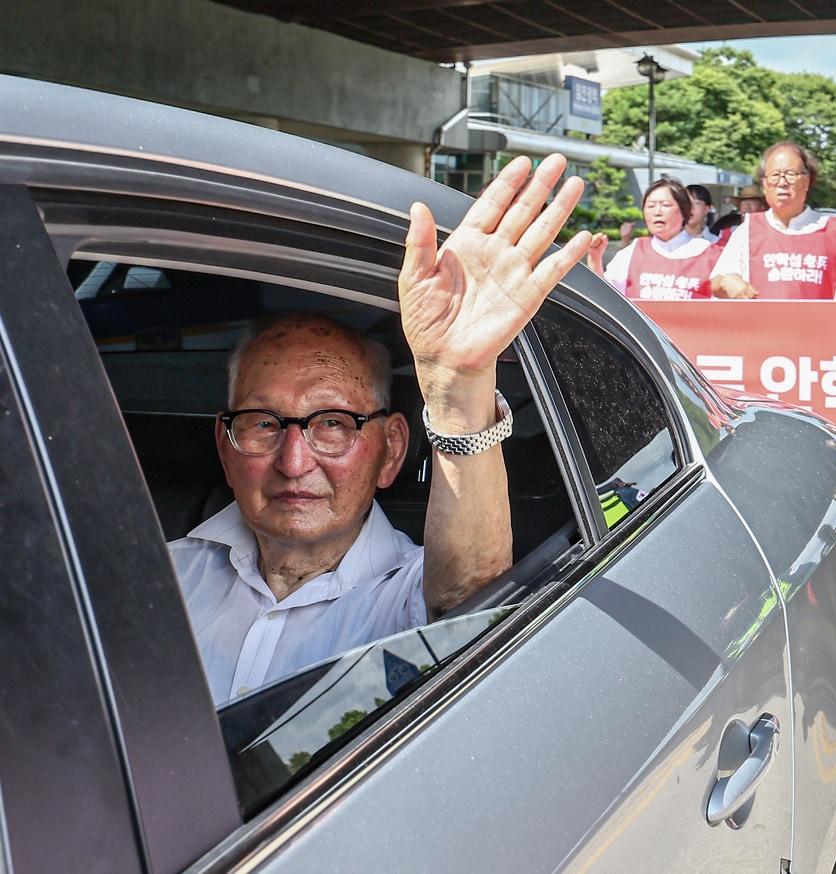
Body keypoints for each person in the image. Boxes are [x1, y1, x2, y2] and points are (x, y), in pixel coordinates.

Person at [171, 153, 599, 704]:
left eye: (332, 424)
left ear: (391, 450)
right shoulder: (159, 577)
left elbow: (465, 604)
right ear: (225, 446)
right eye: (264, 424)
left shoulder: (409, 594)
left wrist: (458, 383)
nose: (294, 461)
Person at [709, 141, 836, 300]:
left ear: (806, 181)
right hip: (761, 324)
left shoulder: (835, 231)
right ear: (764, 184)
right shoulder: (748, 229)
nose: (782, 183)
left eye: (790, 174)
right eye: (775, 175)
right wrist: (726, 282)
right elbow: (716, 283)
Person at [588, 178, 721, 300]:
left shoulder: (711, 255)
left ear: (684, 210)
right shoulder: (634, 250)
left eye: (666, 205)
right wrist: (595, 258)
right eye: (651, 206)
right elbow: (604, 297)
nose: (657, 212)